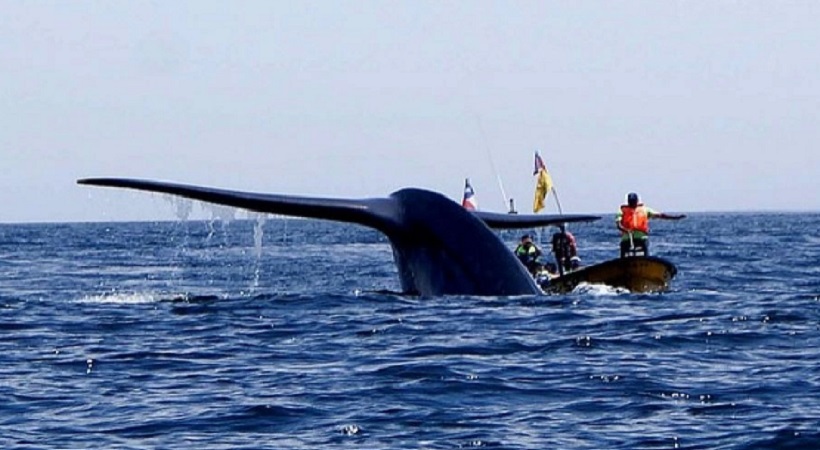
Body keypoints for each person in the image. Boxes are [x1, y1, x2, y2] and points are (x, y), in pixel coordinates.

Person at [616, 192, 686, 258]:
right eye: (630, 201)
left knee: (644, 254)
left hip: (641, 238)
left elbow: (660, 215)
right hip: (627, 239)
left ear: (637, 201)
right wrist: (626, 230)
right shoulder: (622, 211)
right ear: (628, 202)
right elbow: (619, 225)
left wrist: (675, 217)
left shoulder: (645, 210)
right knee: (624, 254)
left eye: (633, 201)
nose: (632, 203)